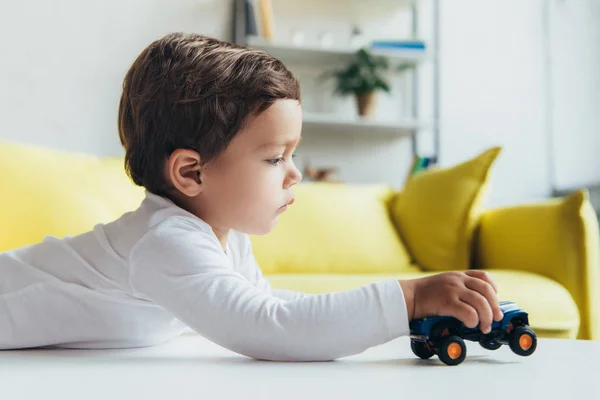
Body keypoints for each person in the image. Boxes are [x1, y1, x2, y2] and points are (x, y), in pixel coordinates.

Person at [0, 33, 503, 361]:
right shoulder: (166, 242)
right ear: (191, 172)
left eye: (291, 155)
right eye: (273, 158)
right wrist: (407, 297)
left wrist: (398, 313)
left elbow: (265, 305)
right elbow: (273, 328)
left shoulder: (220, 237)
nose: (295, 175)